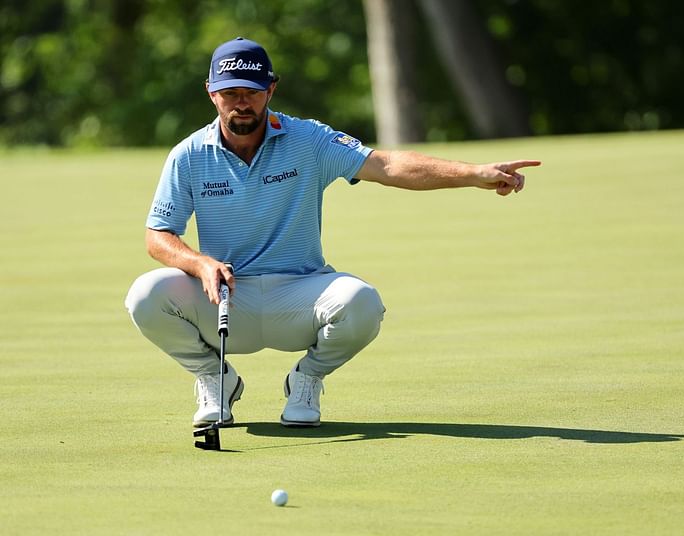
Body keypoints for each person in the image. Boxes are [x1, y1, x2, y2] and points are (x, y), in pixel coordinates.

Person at [125, 37, 540, 429]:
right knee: (145, 295)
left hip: (301, 292)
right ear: (211, 92)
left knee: (362, 301)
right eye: (231, 92)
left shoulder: (308, 139)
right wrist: (199, 263)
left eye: (251, 91)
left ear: (271, 89)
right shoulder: (188, 155)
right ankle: (215, 381)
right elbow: (157, 235)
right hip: (228, 300)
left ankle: (307, 379)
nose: (241, 103)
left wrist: (473, 174)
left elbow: (388, 166)